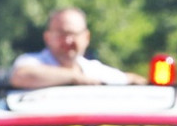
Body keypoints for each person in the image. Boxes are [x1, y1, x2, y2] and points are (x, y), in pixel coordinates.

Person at [10, 7, 141, 88]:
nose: (68, 40)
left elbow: (128, 79)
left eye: (73, 34)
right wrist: (75, 78)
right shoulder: (31, 62)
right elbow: (22, 76)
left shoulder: (92, 70)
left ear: (87, 37)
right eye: (61, 34)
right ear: (47, 38)